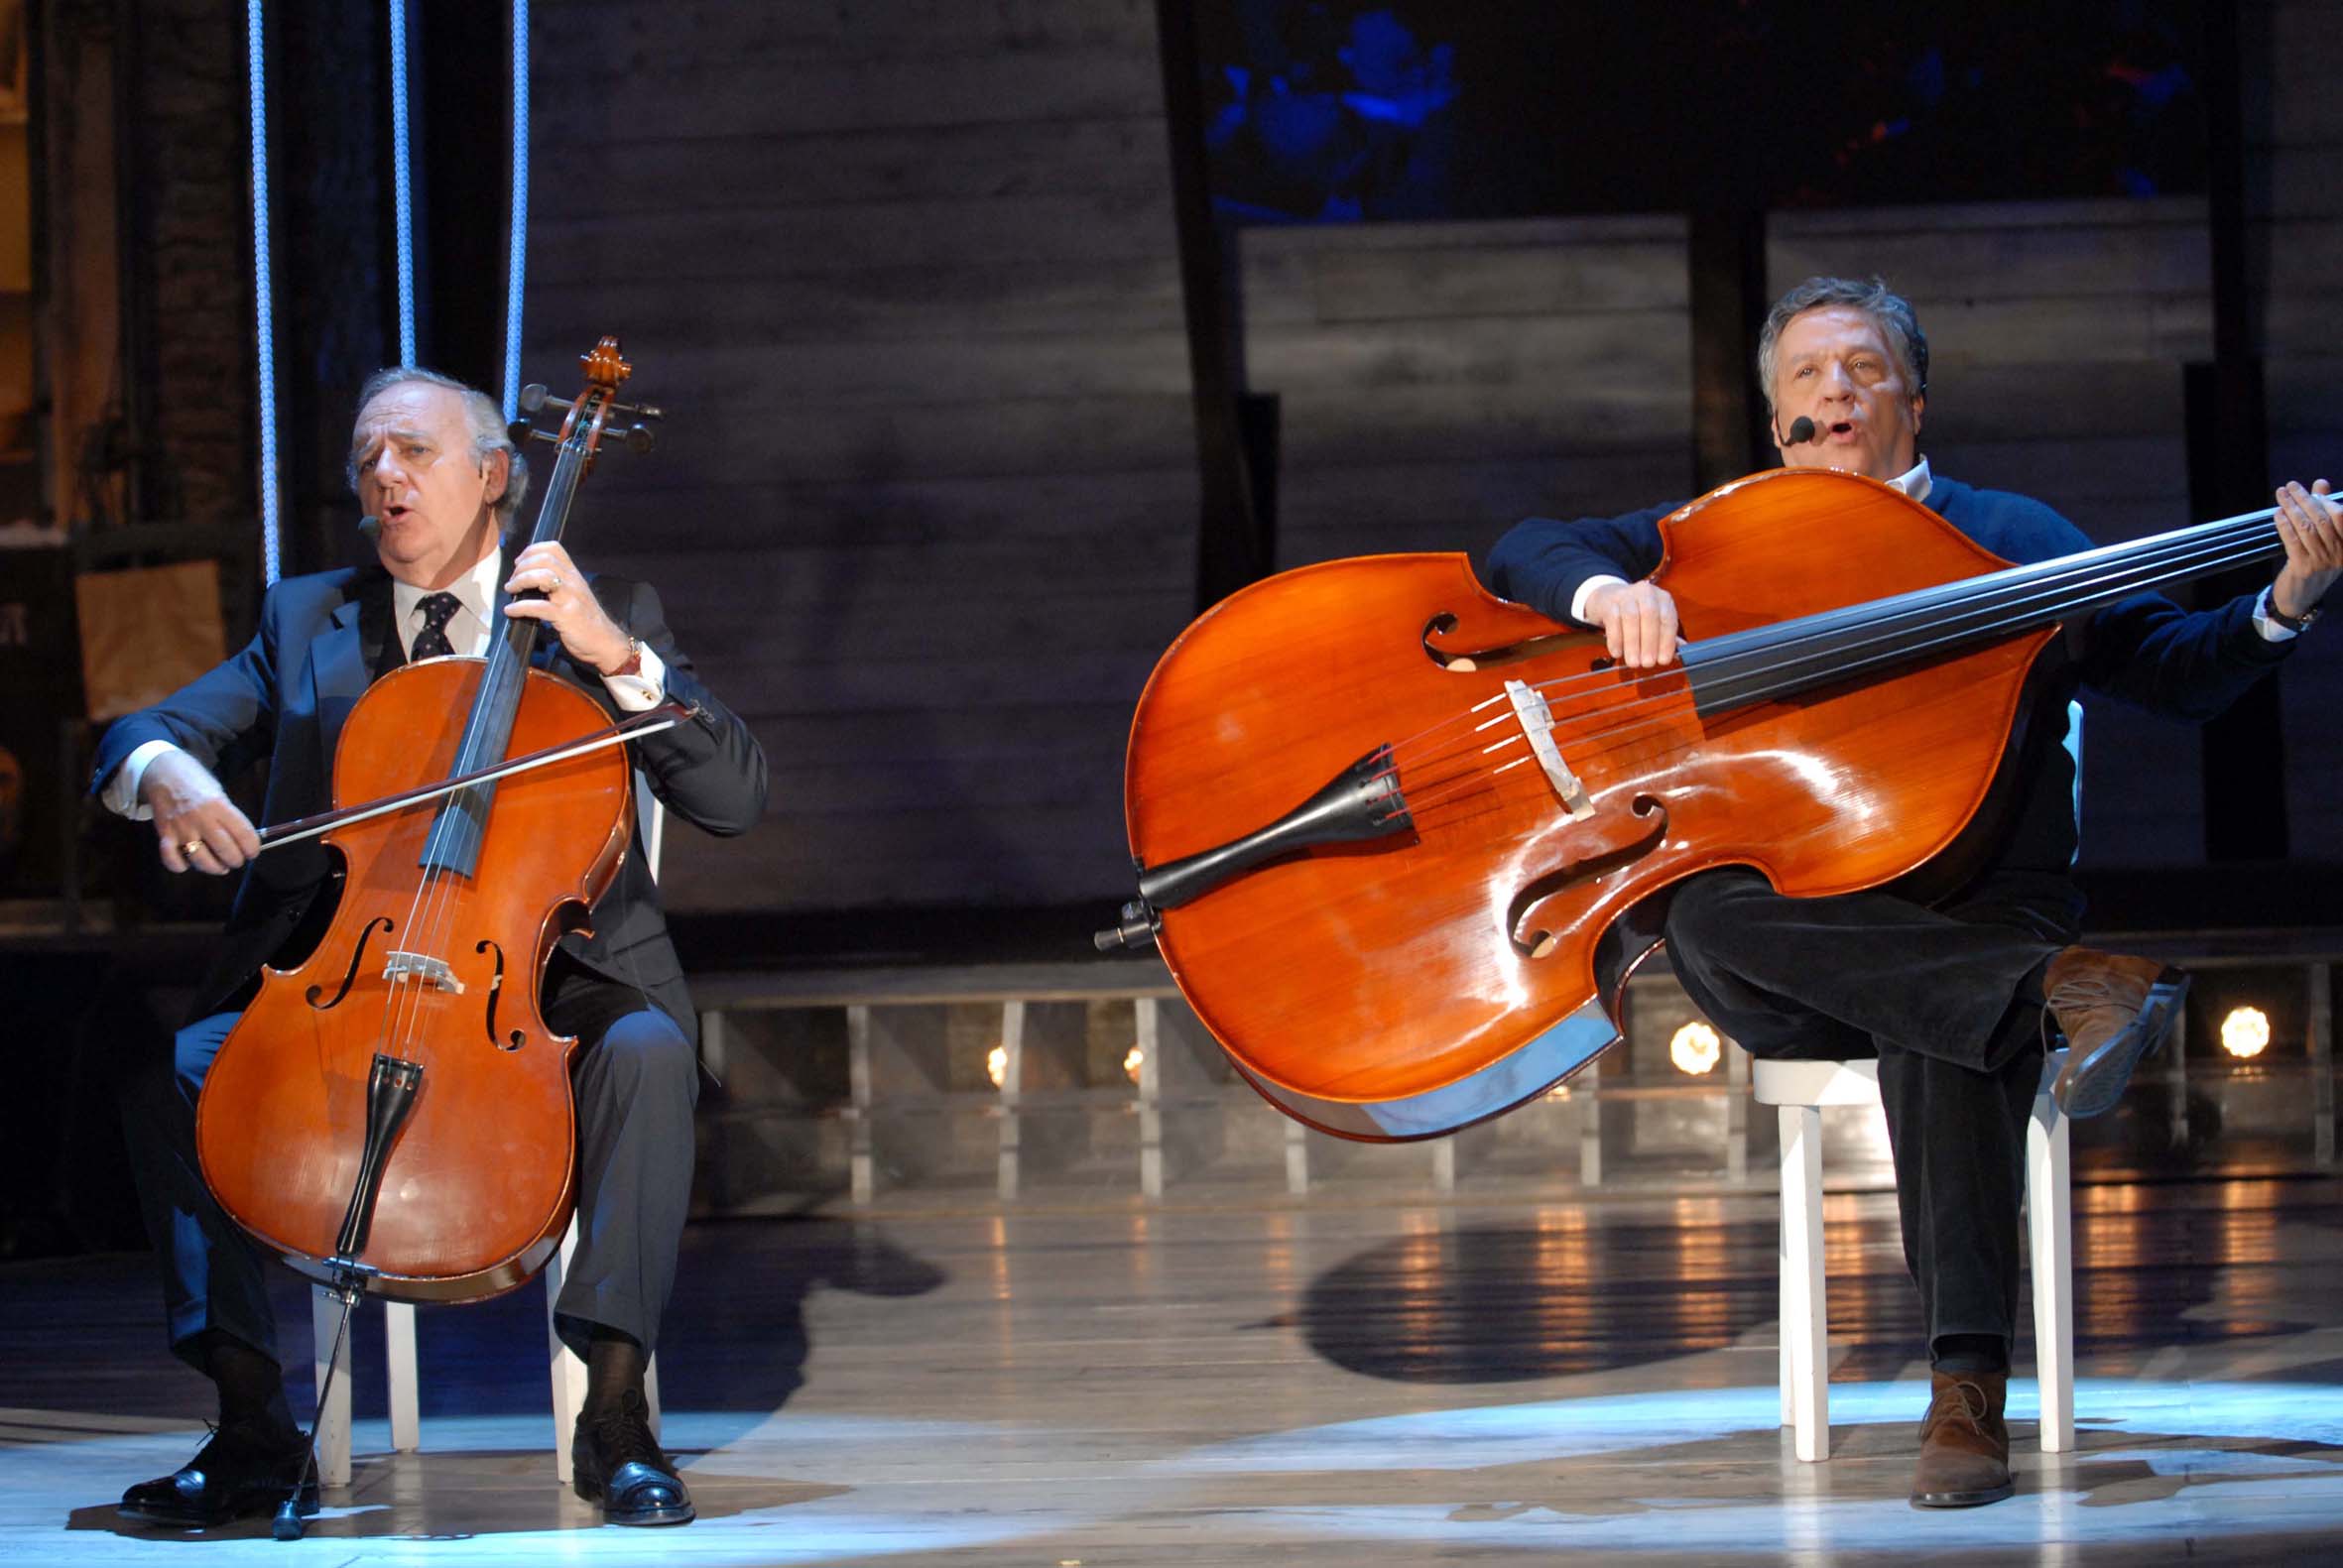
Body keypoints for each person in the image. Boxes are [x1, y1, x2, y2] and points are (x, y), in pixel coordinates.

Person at [1484, 276, 2338, 1508]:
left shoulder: (2007, 533)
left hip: (1984, 895)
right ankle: (2068, 992)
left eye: (1865, 367)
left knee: (1941, 1012)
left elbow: (2177, 672)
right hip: (1803, 936)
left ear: (1915, 400)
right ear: (1774, 415)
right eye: (1808, 373)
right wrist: (1606, 592)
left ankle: (1965, 1397)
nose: (1836, 388)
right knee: (1702, 908)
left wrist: (2283, 602)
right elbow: (1520, 546)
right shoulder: (1721, 535)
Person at [94, 368, 768, 1528]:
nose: (383, 479)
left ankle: (616, 1416)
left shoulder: (593, 616)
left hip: (546, 982)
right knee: (171, 1081)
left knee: (648, 1056)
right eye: (366, 460)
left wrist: (614, 657)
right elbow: (145, 731)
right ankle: (253, 1422)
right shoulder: (306, 618)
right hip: (348, 982)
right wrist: (172, 775)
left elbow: (733, 797)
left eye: (411, 452)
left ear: (495, 475)